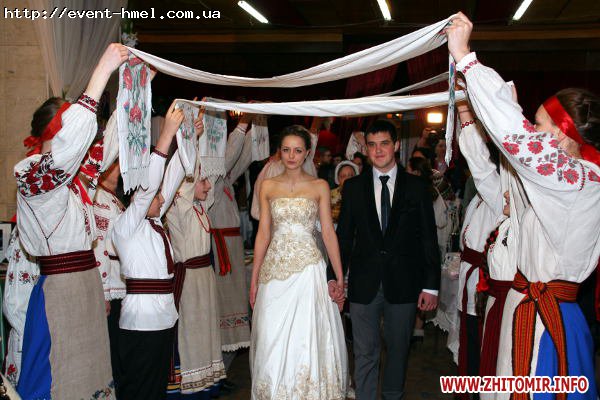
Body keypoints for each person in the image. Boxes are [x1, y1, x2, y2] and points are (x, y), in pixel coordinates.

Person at [447, 13, 600, 400]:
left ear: (563, 134)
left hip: (547, 318)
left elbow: (518, 141)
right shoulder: (555, 181)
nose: (533, 131)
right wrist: (480, 110)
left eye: (539, 124)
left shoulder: (580, 180)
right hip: (523, 307)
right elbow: (502, 165)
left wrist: (466, 58)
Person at [14, 43, 127, 399]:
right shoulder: (35, 176)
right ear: (59, 134)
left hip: (85, 284)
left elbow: (108, 146)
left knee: (90, 374)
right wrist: (101, 72)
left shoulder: (74, 179)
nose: (84, 140)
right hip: (60, 290)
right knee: (55, 374)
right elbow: (67, 153)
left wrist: (133, 90)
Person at [333, 120, 440, 400]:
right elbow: (344, 238)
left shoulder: (416, 187)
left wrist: (431, 285)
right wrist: (335, 277)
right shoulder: (353, 188)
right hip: (363, 283)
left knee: (398, 351)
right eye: (372, 145)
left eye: (384, 144)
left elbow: (428, 239)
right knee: (364, 352)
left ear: (396, 146)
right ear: (366, 149)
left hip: (404, 282)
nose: (378, 150)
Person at [249, 125, 348, 399]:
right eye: (286, 150)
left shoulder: (319, 186)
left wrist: (339, 276)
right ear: (279, 152)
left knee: (306, 335)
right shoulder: (268, 185)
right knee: (271, 335)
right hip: (274, 272)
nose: (291, 156)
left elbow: (327, 232)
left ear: (307, 153)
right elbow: (263, 233)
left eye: (297, 150)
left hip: (308, 271)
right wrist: (254, 278)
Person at [112, 100, 187, 399]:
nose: (162, 198)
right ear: (136, 198)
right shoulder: (126, 226)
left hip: (163, 316)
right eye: (156, 196)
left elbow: (174, 174)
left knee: (156, 388)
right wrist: (165, 134)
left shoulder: (153, 222)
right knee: (139, 388)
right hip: (141, 321)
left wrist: (187, 138)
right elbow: (149, 190)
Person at [164, 112, 227, 398]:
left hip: (205, 278)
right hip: (188, 279)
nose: (207, 186)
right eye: (201, 182)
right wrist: (191, 140)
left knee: (206, 331)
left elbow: (210, 172)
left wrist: (204, 140)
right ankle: (190, 388)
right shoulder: (180, 207)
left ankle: (207, 384)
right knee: (191, 331)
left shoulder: (201, 208)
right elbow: (187, 178)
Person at [93, 159, 126, 394]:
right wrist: (103, 291)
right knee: (113, 344)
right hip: (111, 284)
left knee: (120, 344)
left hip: (119, 281)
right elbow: (99, 247)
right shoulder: (100, 200)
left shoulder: (113, 199)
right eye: (115, 163)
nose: (120, 167)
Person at [331, 160, 359, 225]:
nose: (347, 179)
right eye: (343, 176)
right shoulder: (330, 195)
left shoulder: (363, 194)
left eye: (351, 175)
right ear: (338, 179)